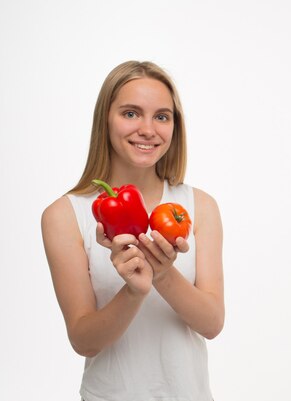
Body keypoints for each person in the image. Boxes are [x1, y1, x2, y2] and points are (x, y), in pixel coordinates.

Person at [41, 61, 224, 401]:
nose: (147, 129)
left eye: (161, 116)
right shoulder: (65, 215)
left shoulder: (200, 206)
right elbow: (83, 340)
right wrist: (133, 292)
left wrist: (162, 274)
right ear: (105, 120)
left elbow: (212, 323)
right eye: (130, 113)